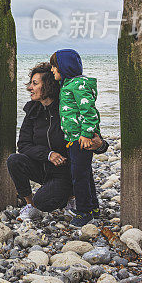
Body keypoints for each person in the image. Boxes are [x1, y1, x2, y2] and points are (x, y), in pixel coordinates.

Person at [6, 62, 73, 221]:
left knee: (44, 201)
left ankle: (71, 196)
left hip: (64, 173)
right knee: (14, 160)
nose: (30, 88)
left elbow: (83, 139)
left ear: (48, 85)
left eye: (35, 84)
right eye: (30, 83)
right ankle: (30, 206)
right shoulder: (33, 110)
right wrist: (48, 154)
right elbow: (23, 145)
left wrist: (100, 145)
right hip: (42, 169)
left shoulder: (65, 109)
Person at [50, 48, 101, 227]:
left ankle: (84, 212)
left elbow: (90, 112)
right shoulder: (67, 84)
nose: (52, 70)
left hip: (81, 139)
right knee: (85, 174)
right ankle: (93, 207)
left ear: (65, 67)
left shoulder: (78, 85)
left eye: (54, 66)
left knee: (79, 176)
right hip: (73, 138)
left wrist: (87, 134)